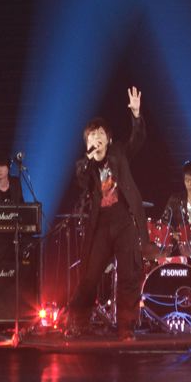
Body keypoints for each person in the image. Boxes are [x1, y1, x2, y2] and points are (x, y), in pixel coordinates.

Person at [67, 87, 147, 342]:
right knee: (89, 276)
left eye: (101, 134)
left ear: (109, 140)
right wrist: (89, 158)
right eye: (92, 135)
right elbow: (80, 180)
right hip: (100, 225)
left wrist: (136, 115)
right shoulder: (85, 166)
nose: (97, 138)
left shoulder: (119, 153)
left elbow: (137, 139)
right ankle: (78, 323)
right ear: (87, 142)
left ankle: (126, 328)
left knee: (128, 276)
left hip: (124, 220)